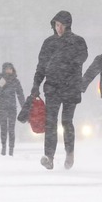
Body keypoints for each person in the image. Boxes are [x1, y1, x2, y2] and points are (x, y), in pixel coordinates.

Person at [30, 10, 88, 170]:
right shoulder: (48, 43)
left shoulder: (78, 41)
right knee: (50, 122)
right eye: (57, 25)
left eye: (62, 25)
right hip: (53, 87)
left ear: (68, 25)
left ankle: (69, 153)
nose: (59, 28)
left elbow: (82, 58)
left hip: (70, 87)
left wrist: (65, 61)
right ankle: (49, 156)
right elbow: (41, 66)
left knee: (67, 122)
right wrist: (36, 84)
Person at [0, 62, 25, 156]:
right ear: (3, 70)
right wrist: (0, 86)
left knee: (11, 129)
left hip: (12, 108)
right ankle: (3, 148)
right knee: (3, 129)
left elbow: (20, 94)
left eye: (10, 68)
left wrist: (24, 107)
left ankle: (11, 149)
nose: (9, 70)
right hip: (1, 107)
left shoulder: (15, 81)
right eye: (7, 69)